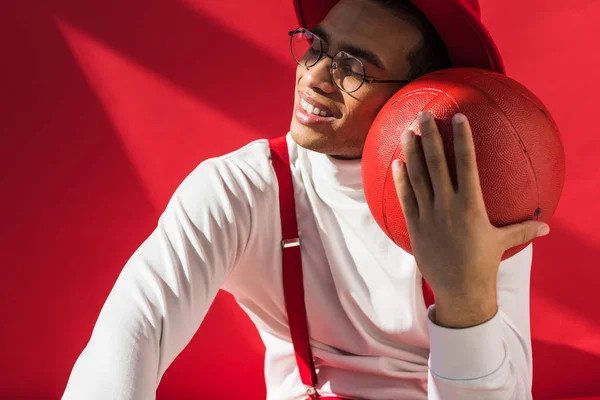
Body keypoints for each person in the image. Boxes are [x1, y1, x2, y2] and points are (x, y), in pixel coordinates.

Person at [62, 0, 549, 398]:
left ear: (418, 93)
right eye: (315, 46)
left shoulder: (478, 202)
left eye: (353, 67)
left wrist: (466, 298)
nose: (314, 76)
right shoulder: (244, 191)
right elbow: (127, 339)